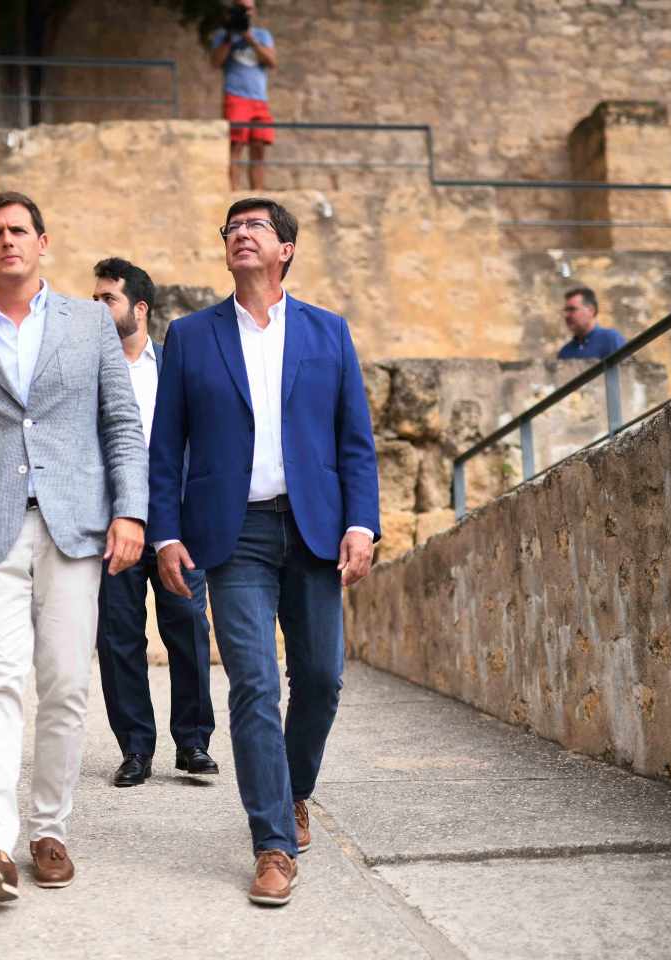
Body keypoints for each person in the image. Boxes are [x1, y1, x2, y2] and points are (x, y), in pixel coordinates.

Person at [0, 191, 149, 902]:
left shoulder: (88, 324)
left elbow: (122, 425)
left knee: (68, 683)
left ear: (43, 242)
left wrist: (130, 513)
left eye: (19, 230)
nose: (7, 241)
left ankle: (50, 829)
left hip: (76, 529)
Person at [149, 197, 380, 907]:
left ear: (286, 249)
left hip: (314, 526)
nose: (240, 235)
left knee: (320, 679)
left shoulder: (328, 332)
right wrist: (165, 531)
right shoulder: (190, 336)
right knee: (252, 681)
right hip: (232, 532)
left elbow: (354, 442)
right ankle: (273, 843)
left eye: (255, 227)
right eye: (231, 228)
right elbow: (166, 446)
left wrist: (362, 524)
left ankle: (295, 788)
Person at [90, 257, 217, 788]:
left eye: (108, 300)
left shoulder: (176, 366)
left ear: (139, 308)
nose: (97, 309)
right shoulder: (87, 370)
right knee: (119, 638)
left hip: (174, 524)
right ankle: (135, 748)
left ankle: (192, 742)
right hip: (110, 523)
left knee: (188, 626)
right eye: (94, 300)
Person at [210, 0, 277, 191]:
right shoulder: (223, 36)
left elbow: (271, 61)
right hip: (236, 97)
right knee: (236, 145)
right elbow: (215, 63)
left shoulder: (263, 35)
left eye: (248, 8)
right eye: (241, 8)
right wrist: (230, 38)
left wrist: (250, 39)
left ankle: (258, 194)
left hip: (259, 99)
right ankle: (234, 192)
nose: (245, 12)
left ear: (253, 11)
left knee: (259, 147)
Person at [556, 286, 626, 360]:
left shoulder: (610, 339)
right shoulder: (565, 352)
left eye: (572, 309)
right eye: (566, 310)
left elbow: (624, 370)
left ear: (591, 310)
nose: (566, 315)